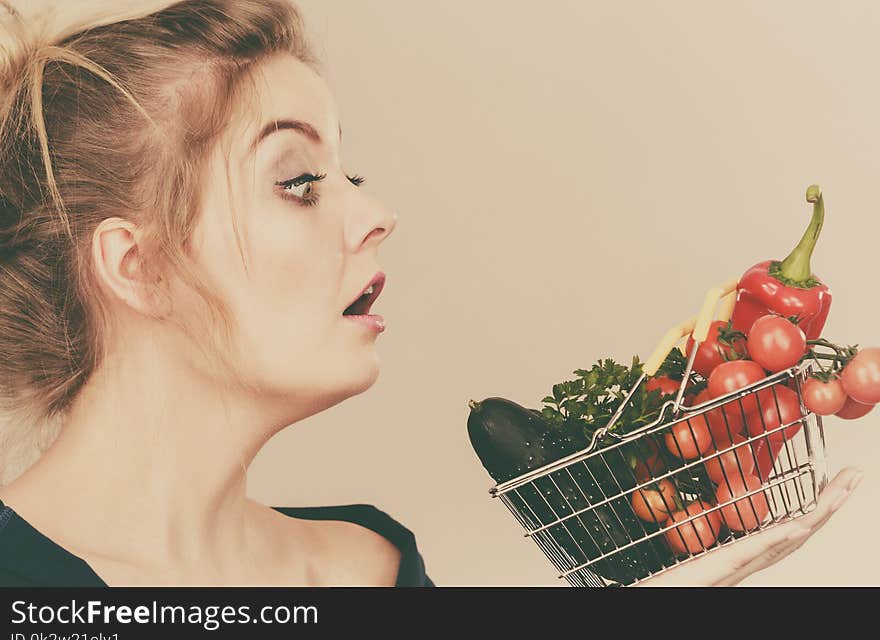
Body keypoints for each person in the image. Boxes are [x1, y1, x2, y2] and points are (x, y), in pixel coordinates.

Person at [0, 0, 860, 588]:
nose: (378, 214)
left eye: (353, 173)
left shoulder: (372, 567)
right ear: (137, 266)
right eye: (298, 180)